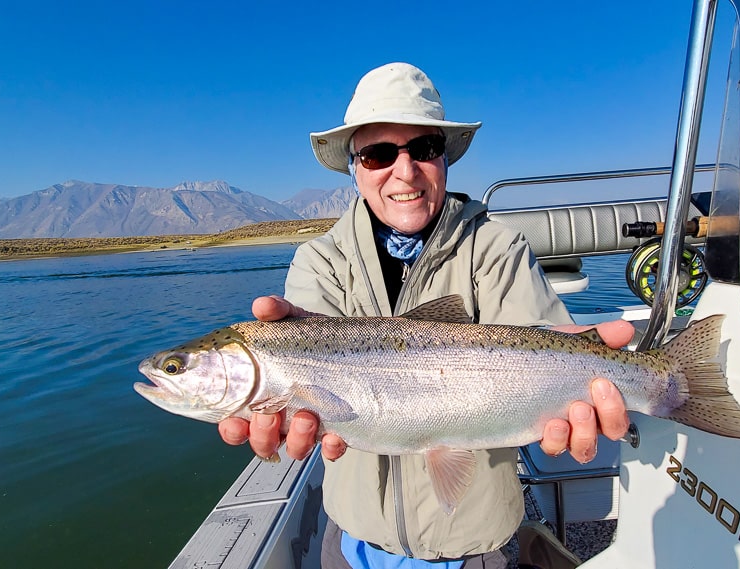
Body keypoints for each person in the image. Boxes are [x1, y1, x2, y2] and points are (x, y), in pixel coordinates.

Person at [218, 62, 634, 568]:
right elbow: (304, 412)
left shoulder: (498, 248)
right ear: (354, 168)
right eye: (377, 154)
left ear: (444, 158)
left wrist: (580, 364)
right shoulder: (319, 261)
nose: (405, 170)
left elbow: (540, 339)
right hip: (354, 542)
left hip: (478, 543)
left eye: (424, 149)